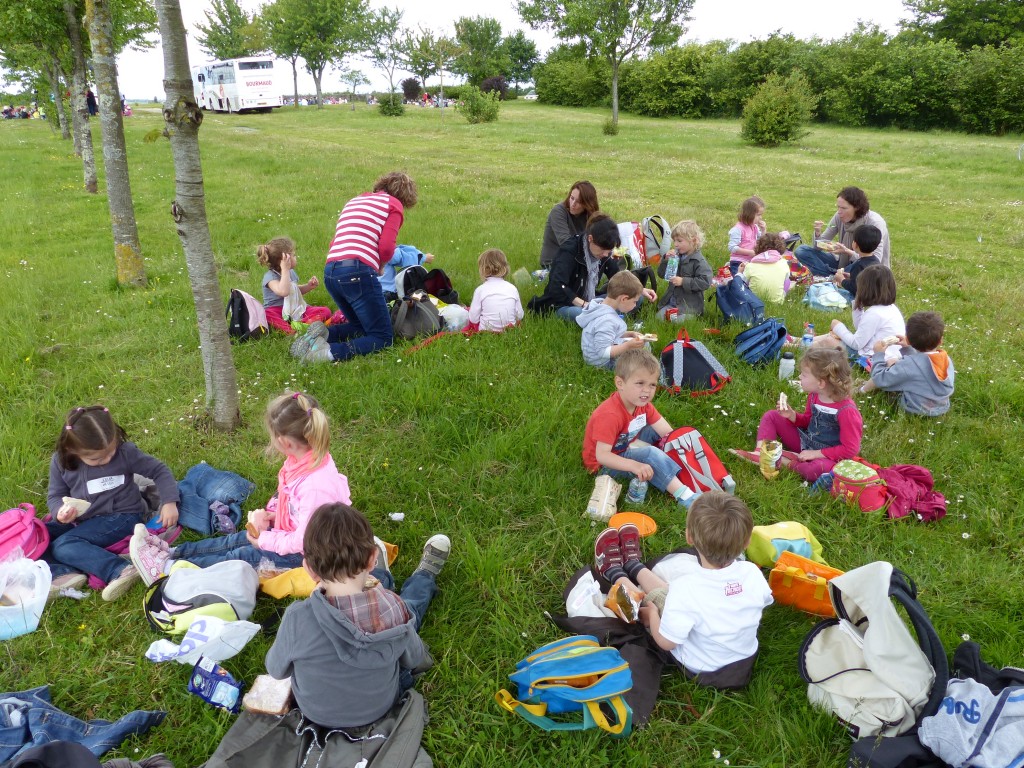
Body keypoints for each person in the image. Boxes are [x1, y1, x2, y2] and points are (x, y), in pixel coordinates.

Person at [265, 502, 451, 728]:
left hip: (316, 714)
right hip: (380, 709)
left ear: (309, 570)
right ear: (370, 558)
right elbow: (414, 659)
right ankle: (423, 577)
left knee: (389, 599)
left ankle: (382, 576)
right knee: (410, 607)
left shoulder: (297, 618)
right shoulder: (393, 606)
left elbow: (276, 670)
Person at [128, 392, 350, 581]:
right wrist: (274, 515)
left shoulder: (315, 486)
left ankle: (166, 570)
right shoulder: (305, 460)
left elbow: (306, 539)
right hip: (290, 535)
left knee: (240, 557)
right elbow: (297, 508)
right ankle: (173, 553)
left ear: (284, 442)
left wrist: (264, 540)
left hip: (306, 557)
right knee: (235, 540)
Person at [593, 494, 772, 678]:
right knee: (675, 598)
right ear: (747, 541)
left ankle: (613, 571)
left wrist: (653, 615)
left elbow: (666, 643)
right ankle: (632, 565)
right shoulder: (753, 574)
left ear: (689, 537)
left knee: (652, 603)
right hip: (742, 659)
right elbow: (762, 601)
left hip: (700, 666)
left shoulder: (686, 588)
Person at [43, 405, 180, 601]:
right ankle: (64, 573)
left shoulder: (125, 453)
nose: (107, 459)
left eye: (110, 451)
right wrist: (59, 512)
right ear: (72, 450)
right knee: (40, 534)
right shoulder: (61, 462)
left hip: (123, 516)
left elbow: (159, 471)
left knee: (64, 545)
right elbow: (55, 494)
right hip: (83, 519)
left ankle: (120, 569)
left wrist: (169, 502)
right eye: (96, 458)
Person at [290, 171, 418, 364]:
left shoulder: (355, 201)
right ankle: (327, 353)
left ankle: (321, 335)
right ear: (405, 197)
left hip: (331, 272)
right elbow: (386, 247)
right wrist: (380, 266)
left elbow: (334, 242)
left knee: (359, 326)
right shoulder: (394, 205)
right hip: (357, 272)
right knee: (383, 337)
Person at [583, 348, 700, 508]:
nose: (647, 390)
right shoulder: (609, 415)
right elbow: (602, 456)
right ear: (620, 383)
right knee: (649, 454)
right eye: (640, 383)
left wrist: (680, 443)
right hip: (605, 465)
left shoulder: (643, 406)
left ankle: (681, 468)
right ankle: (685, 496)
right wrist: (635, 465)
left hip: (624, 444)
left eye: (652, 384)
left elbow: (668, 433)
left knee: (656, 433)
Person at [732, 347, 863, 483]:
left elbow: (850, 449)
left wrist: (816, 454)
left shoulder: (847, 411)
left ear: (821, 383)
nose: (799, 377)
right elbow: (808, 422)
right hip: (806, 442)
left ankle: (783, 460)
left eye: (804, 375)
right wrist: (792, 415)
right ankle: (761, 452)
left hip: (829, 457)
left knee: (816, 470)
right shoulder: (814, 396)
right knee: (772, 416)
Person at [529, 214, 656, 321]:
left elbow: (616, 275)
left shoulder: (604, 253)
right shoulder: (569, 251)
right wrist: (585, 305)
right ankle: (606, 316)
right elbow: (557, 286)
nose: (605, 255)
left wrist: (639, 289)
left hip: (591, 300)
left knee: (636, 298)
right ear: (590, 239)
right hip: (563, 304)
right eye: (603, 250)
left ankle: (605, 316)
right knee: (582, 314)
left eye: (609, 251)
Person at [816, 264, 905, 369]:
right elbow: (861, 329)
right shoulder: (890, 308)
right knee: (833, 336)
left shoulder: (874, 313)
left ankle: (805, 345)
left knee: (829, 341)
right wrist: (858, 305)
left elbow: (856, 344)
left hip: (870, 360)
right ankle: (803, 340)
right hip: (886, 356)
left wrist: (837, 326)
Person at [867, 311, 954, 414]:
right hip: (941, 407)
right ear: (940, 341)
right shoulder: (946, 359)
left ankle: (861, 390)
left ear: (908, 338)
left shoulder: (908, 365)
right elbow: (920, 363)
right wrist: (907, 348)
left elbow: (879, 380)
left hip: (916, 409)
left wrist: (878, 355)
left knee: (891, 362)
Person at [795, 186, 891, 276]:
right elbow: (817, 247)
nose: (839, 212)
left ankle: (834, 275)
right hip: (842, 261)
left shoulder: (875, 223)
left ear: (857, 207)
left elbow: (873, 262)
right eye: (838, 207)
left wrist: (847, 251)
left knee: (856, 268)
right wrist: (817, 233)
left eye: (844, 208)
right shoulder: (839, 216)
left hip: (865, 267)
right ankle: (836, 275)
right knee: (801, 251)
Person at [257, 236, 342, 334]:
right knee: (267, 315)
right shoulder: (270, 277)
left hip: (294, 308)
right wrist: (285, 270)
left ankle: (301, 325)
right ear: (285, 260)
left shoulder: (291, 272)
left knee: (325, 311)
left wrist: (308, 286)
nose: (296, 257)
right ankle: (291, 330)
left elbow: (294, 291)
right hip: (277, 310)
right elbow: (284, 292)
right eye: (293, 255)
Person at [576, 271, 647, 369]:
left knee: (640, 342)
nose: (635, 305)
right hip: (602, 363)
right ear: (624, 299)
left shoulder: (599, 307)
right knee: (642, 349)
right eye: (634, 301)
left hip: (599, 355)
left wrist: (630, 334)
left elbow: (610, 333)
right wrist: (628, 346)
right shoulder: (606, 321)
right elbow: (603, 352)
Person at [657, 219, 712, 320]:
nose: (675, 244)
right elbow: (661, 274)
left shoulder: (699, 261)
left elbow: (705, 282)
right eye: (674, 241)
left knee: (679, 321)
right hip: (671, 303)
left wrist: (683, 281)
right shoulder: (675, 257)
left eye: (679, 241)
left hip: (689, 307)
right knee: (659, 318)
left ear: (693, 241)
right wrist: (666, 260)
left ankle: (693, 317)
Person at [539, 181, 599, 269]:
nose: (573, 204)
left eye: (578, 202)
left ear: (587, 204)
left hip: (581, 260)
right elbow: (566, 243)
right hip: (554, 261)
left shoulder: (589, 215)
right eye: (572, 198)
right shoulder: (558, 211)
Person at [468, 248, 523, 332]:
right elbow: (520, 315)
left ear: (482, 270)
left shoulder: (480, 290)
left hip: (486, 331)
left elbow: (473, 319)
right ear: (505, 268)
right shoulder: (512, 288)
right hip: (509, 330)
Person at [739, 232, 791, 304]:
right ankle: (779, 297)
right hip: (777, 302)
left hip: (754, 303)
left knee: (748, 280)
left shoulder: (751, 265)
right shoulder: (783, 263)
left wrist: (739, 272)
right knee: (787, 280)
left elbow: (740, 283)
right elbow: (786, 278)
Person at [831, 224, 881, 299]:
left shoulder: (858, 265)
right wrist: (850, 276)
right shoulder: (876, 261)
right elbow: (866, 280)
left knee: (831, 291)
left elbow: (854, 288)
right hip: (873, 297)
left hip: (860, 298)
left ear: (855, 245)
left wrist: (842, 280)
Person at [727, 196, 766, 275]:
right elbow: (732, 247)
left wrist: (763, 230)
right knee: (739, 278)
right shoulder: (738, 229)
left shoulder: (754, 227)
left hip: (751, 260)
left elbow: (761, 241)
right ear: (749, 214)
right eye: (758, 215)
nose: (760, 217)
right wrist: (749, 252)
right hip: (738, 261)